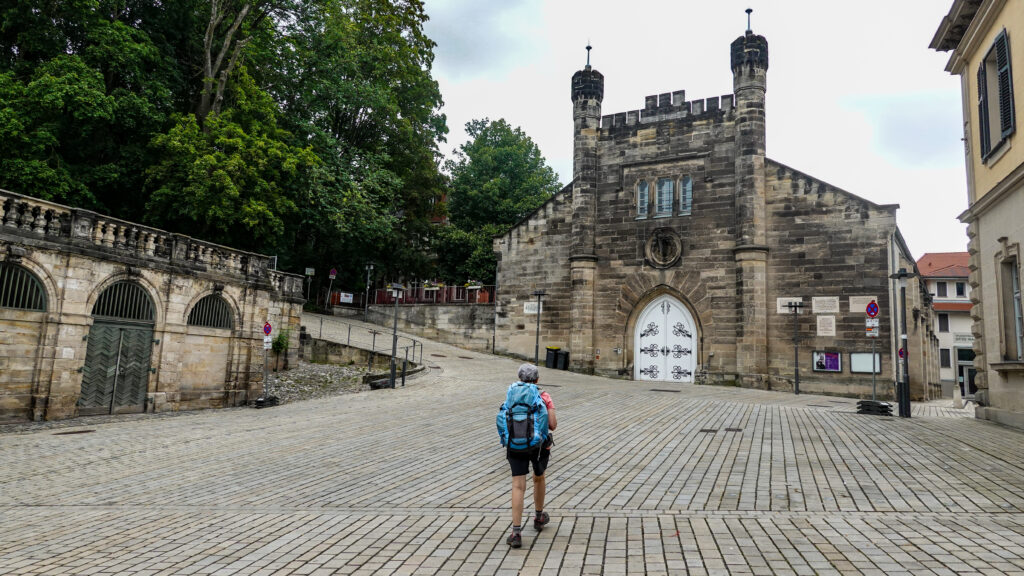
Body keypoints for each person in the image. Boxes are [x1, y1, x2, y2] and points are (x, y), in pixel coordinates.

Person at [505, 363, 557, 549]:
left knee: (518, 485)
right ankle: (539, 517)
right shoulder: (544, 395)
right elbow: (552, 424)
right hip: (538, 446)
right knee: (538, 477)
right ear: (537, 379)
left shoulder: (512, 394)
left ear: (519, 378)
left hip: (515, 444)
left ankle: (516, 533)